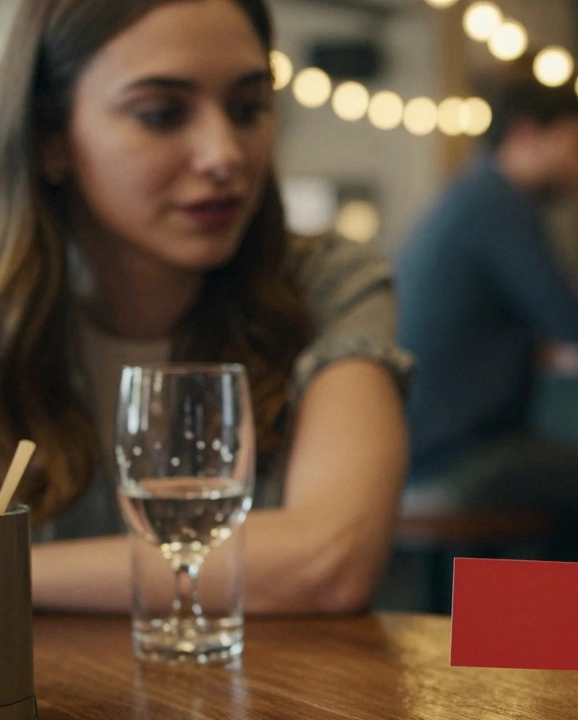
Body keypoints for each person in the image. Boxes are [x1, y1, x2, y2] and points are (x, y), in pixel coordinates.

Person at [1, 0, 412, 613]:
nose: (224, 155)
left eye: (248, 109)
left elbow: (331, 559)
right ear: (51, 139)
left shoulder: (329, 280)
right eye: (162, 114)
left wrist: (15, 573)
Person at [396, 78, 578, 561]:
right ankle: (575, 622)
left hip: (422, 450)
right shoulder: (497, 205)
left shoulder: (470, 196)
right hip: (457, 457)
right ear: (526, 134)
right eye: (576, 146)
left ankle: (548, 614)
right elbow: (577, 323)